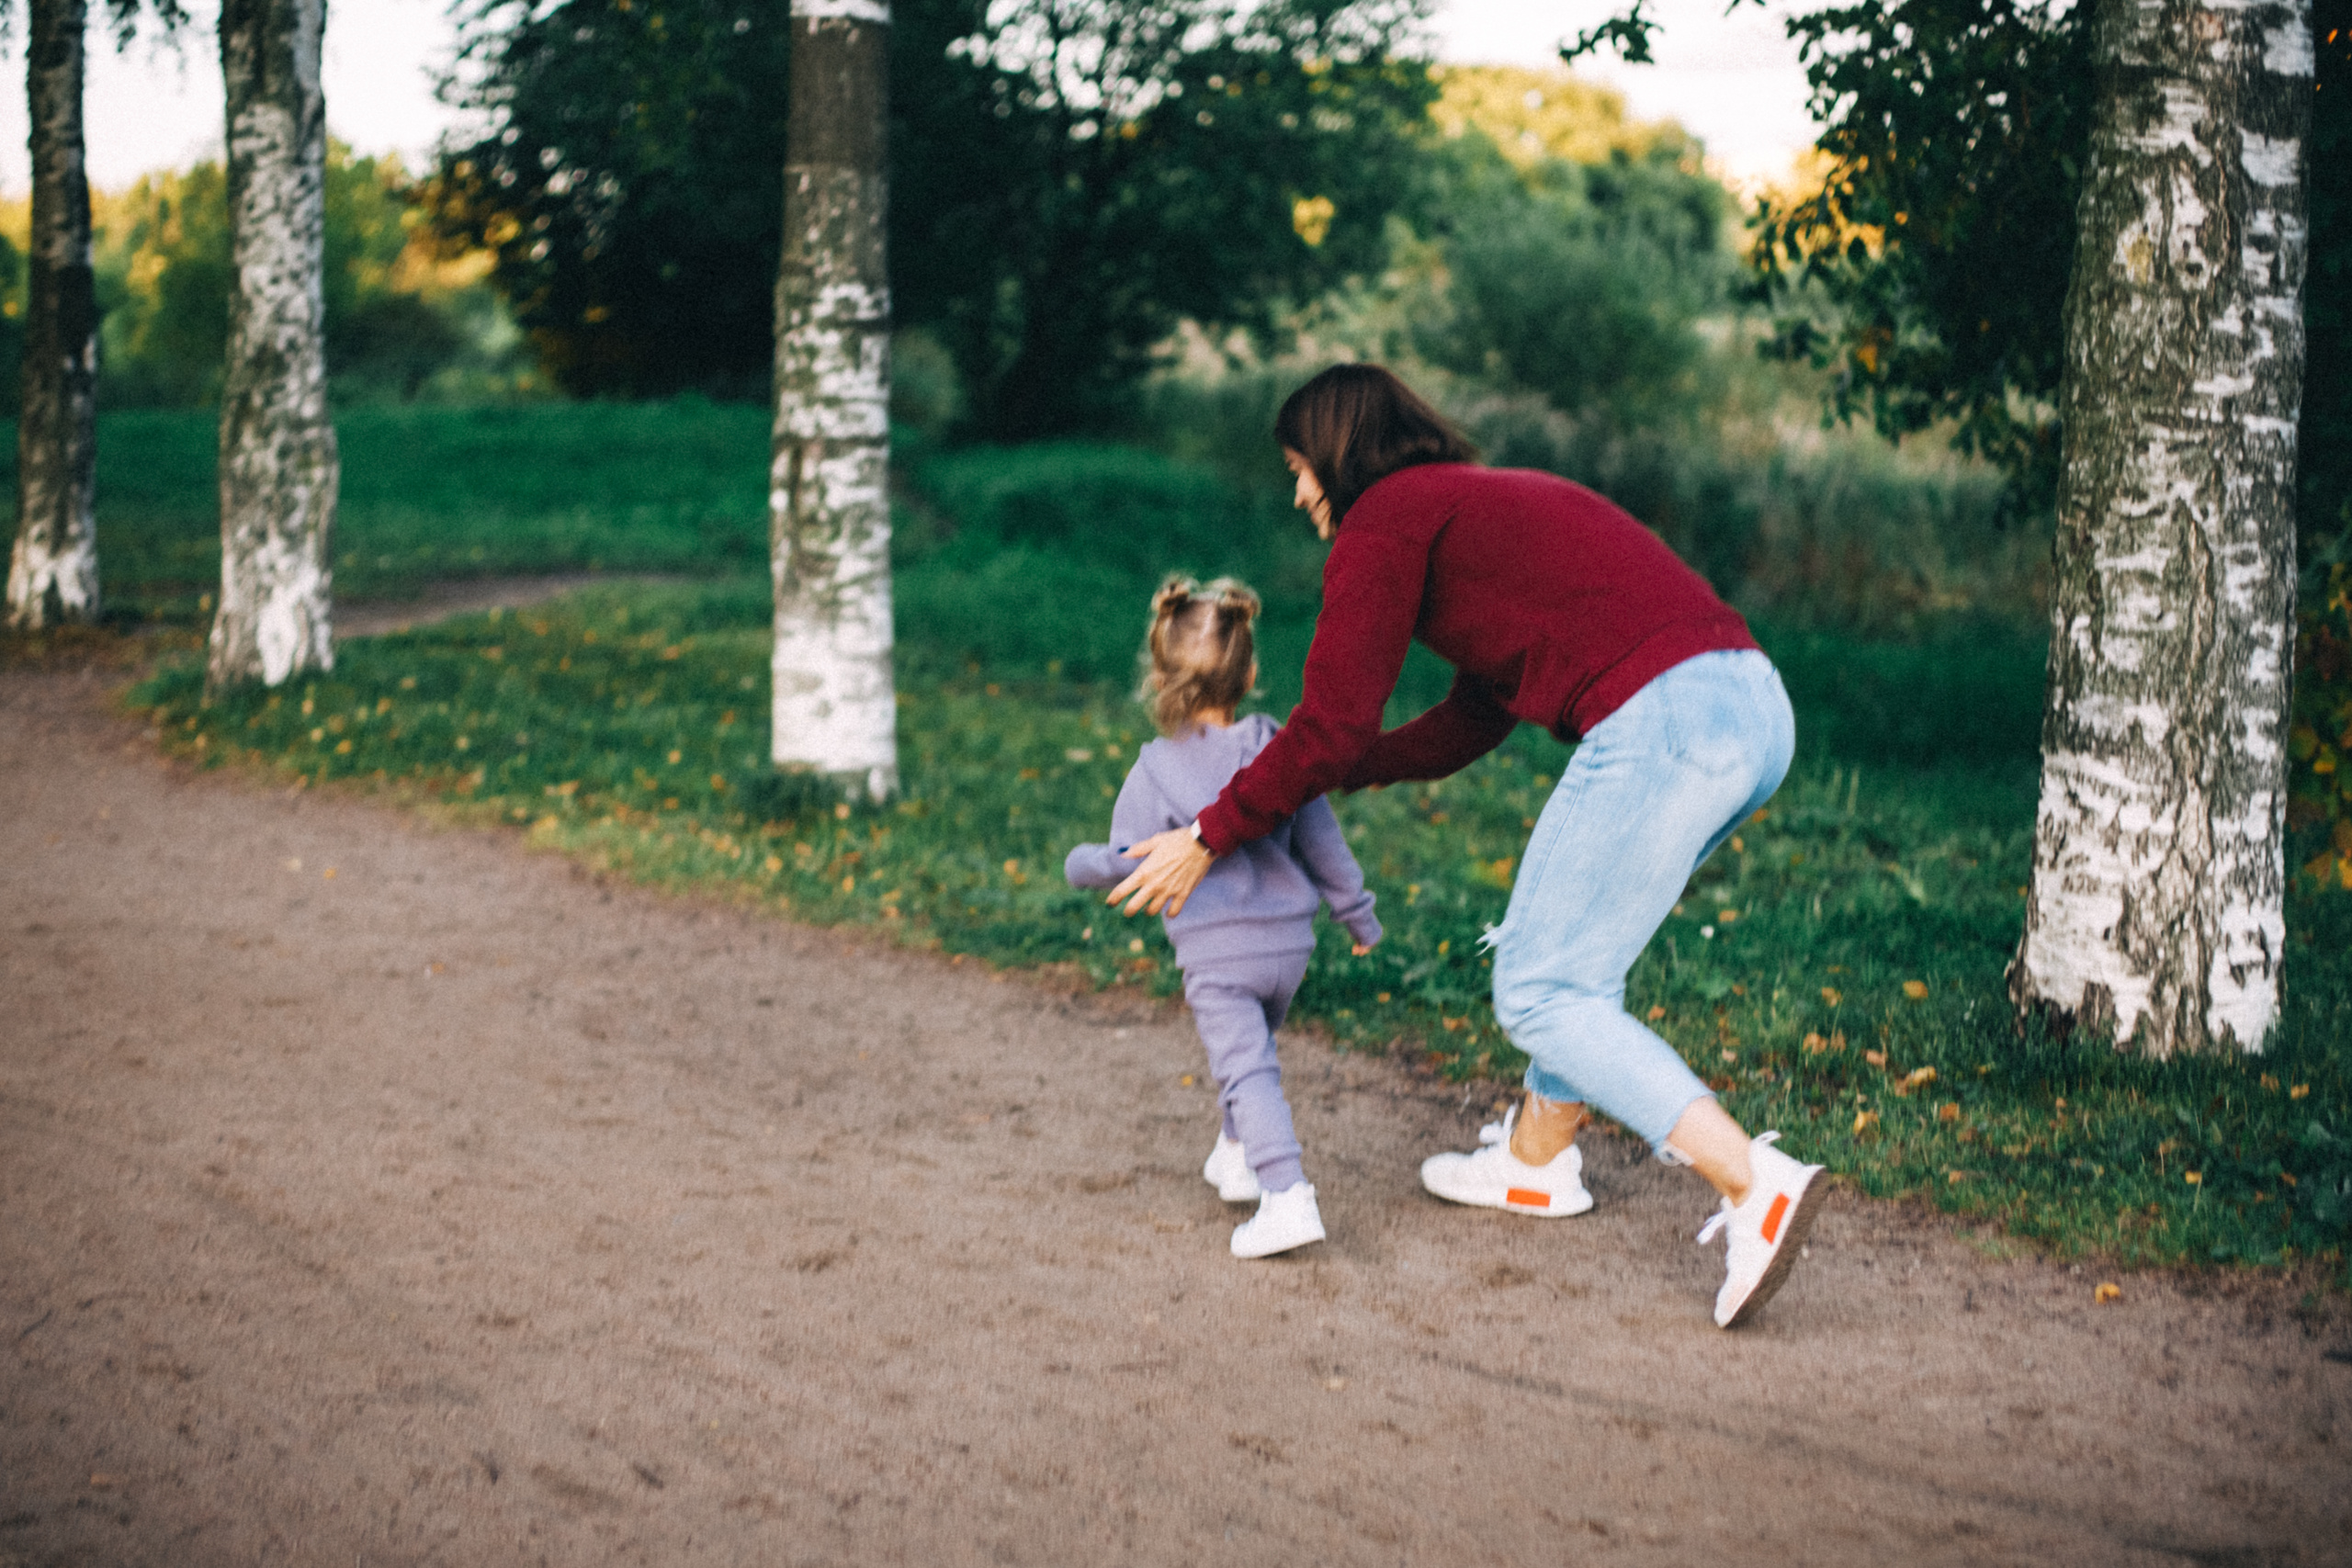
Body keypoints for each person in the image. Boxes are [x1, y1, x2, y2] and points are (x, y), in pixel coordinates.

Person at [1102, 365, 1825, 1328]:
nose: (1298, 493)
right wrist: (1329, 773)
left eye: (1298, 467)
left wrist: (1210, 830)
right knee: (1581, 965)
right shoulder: (1477, 505)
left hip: (1667, 721)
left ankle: (1752, 1183)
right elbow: (1470, 717)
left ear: (1335, 453)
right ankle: (1534, 1164)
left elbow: (1330, 718)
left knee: (1539, 987)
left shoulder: (1385, 519)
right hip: (1752, 708)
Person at [1066, 576, 1384, 1260]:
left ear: (1161, 673)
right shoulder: (1280, 752)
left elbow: (1129, 859)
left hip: (1219, 955)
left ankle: (1287, 1194)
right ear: (1252, 671)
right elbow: (1324, 841)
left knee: (1247, 1071)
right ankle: (1238, 1152)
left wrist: (1081, 863)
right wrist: (1357, 916)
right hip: (1287, 952)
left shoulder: (1156, 770)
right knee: (1252, 1055)